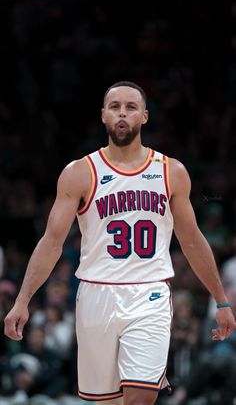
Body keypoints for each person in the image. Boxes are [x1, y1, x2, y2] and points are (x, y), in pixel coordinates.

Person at [4, 81, 236, 405]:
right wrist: (22, 300)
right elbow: (52, 242)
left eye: (130, 107)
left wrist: (221, 300)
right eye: (115, 107)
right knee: (108, 402)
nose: (122, 114)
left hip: (149, 293)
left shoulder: (172, 172)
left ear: (144, 116)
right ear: (103, 116)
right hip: (96, 295)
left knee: (140, 398)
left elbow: (193, 242)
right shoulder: (79, 173)